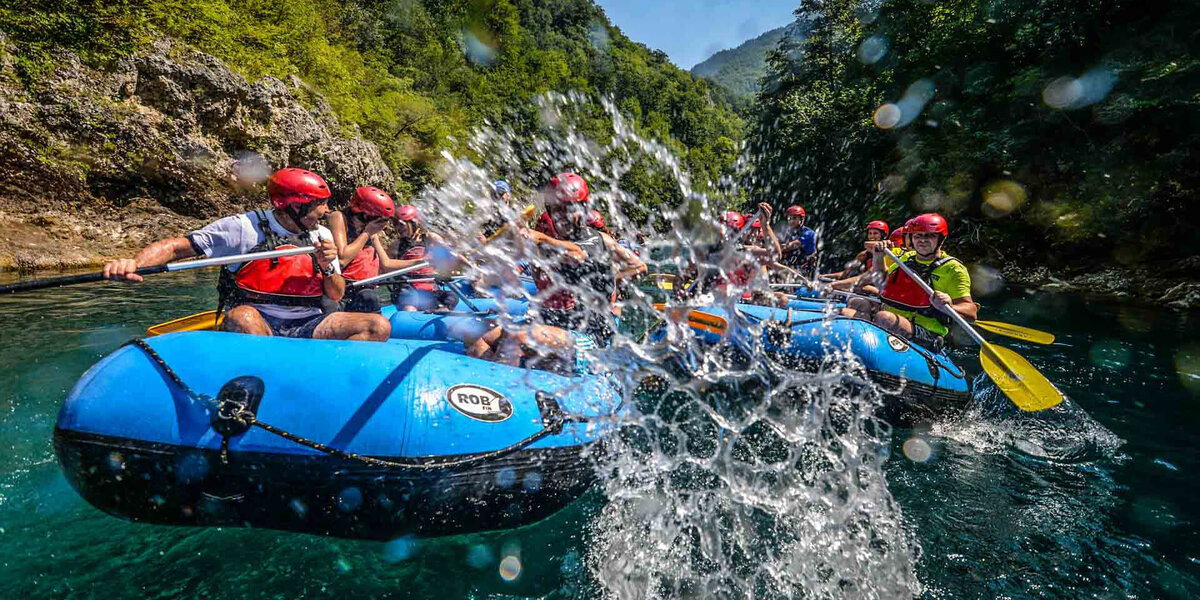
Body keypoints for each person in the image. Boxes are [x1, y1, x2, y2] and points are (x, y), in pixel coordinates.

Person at [102, 168, 390, 341]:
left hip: (309, 322)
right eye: (319, 205)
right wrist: (135, 263)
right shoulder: (242, 228)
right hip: (260, 318)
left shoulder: (321, 235)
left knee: (378, 326)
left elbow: (337, 295)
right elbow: (176, 247)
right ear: (294, 206)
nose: (326, 212)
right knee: (242, 319)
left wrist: (328, 266)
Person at [522, 172, 646, 345]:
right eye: (556, 210)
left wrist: (539, 238)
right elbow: (640, 266)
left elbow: (577, 254)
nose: (561, 217)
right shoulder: (561, 243)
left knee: (519, 338)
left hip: (591, 336)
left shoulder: (598, 239)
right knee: (485, 339)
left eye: (569, 209)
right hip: (565, 322)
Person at [841, 213, 977, 350]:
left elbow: (971, 312)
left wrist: (949, 305)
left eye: (929, 235)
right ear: (912, 238)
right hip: (891, 318)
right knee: (854, 304)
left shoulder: (953, 269)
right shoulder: (907, 258)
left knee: (885, 318)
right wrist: (878, 256)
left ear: (940, 239)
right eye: (918, 236)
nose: (922, 240)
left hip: (926, 332)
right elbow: (880, 281)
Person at [327, 186, 395, 313]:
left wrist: (420, 262)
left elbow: (387, 264)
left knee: (370, 297)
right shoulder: (339, 218)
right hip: (347, 290)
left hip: (366, 288)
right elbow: (342, 259)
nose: (382, 225)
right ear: (365, 215)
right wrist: (367, 232)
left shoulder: (370, 232)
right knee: (368, 297)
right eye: (380, 220)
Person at [381, 204, 458, 312]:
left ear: (415, 223)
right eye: (396, 224)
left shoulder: (430, 238)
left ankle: (443, 310)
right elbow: (384, 266)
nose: (398, 228)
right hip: (407, 287)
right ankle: (410, 316)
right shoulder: (396, 245)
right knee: (408, 297)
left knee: (452, 296)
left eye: (402, 224)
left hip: (429, 288)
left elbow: (449, 254)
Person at [828, 220, 890, 290]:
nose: (872, 236)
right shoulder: (863, 255)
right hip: (862, 287)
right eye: (870, 233)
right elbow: (845, 274)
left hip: (879, 290)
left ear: (883, 236)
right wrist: (823, 276)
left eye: (875, 233)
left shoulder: (888, 254)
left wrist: (833, 285)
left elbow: (868, 276)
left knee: (862, 288)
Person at [779, 205, 818, 276]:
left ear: (802, 219)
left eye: (794, 218)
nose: (791, 221)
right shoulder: (789, 233)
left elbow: (792, 246)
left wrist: (773, 249)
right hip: (792, 267)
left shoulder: (809, 233)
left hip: (805, 269)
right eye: (789, 218)